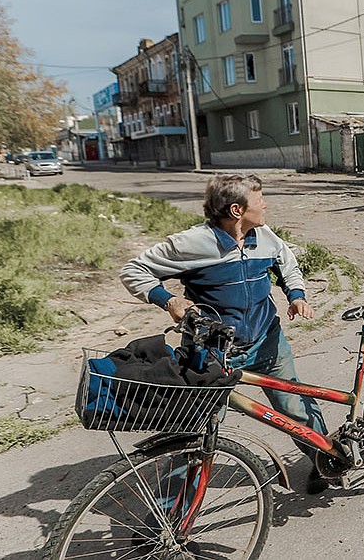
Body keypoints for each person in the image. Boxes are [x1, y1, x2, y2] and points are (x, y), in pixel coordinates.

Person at [120, 173, 330, 493]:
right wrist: (169, 300)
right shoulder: (191, 243)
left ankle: (325, 461)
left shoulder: (265, 235)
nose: (265, 205)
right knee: (192, 430)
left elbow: (286, 263)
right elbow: (133, 270)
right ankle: (170, 517)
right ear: (237, 210)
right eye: (259, 200)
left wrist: (297, 295)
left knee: (294, 410)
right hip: (212, 353)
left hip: (266, 343)